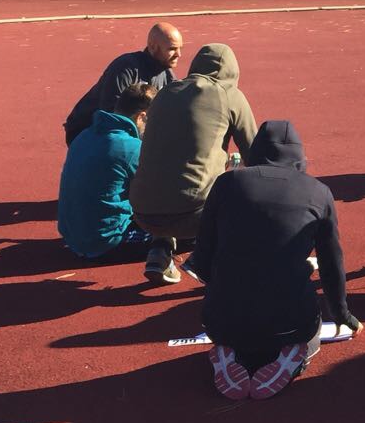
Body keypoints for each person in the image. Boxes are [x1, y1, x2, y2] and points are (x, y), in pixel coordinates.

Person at [189, 120, 360, 400]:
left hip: (222, 320)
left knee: (235, 314)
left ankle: (227, 351)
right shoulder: (319, 192)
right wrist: (344, 315)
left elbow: (203, 257)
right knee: (308, 328)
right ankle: (292, 354)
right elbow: (331, 265)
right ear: (299, 158)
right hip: (290, 321)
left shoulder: (227, 183)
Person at [128, 43, 258, 286]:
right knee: (240, 189)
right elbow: (256, 154)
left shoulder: (165, 92)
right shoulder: (229, 94)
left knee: (169, 172)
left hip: (143, 212)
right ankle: (208, 258)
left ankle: (160, 250)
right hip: (192, 214)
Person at [56, 83, 156, 260]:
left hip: (72, 237)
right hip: (107, 242)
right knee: (184, 229)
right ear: (142, 117)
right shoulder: (131, 148)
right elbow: (159, 192)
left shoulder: (84, 135)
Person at [62, 23, 183, 146]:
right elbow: (110, 115)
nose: (178, 54)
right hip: (86, 130)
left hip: (125, 132)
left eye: (180, 48)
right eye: (172, 49)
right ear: (152, 47)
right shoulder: (126, 68)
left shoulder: (168, 77)